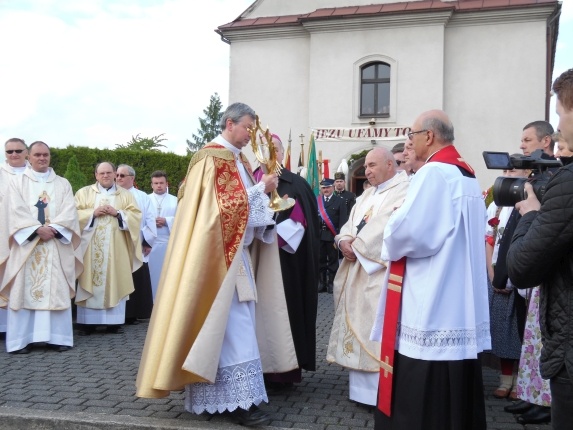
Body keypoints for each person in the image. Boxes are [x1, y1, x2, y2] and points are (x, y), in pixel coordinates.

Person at [136, 102, 297, 427]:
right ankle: (239, 405)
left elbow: (232, 211)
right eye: (247, 128)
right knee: (232, 330)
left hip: (234, 258)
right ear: (229, 123)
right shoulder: (211, 158)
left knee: (233, 328)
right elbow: (214, 213)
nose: (251, 135)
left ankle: (224, 400)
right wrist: (259, 191)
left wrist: (264, 217)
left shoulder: (236, 160)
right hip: (214, 264)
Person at [371, 110, 491, 430]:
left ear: (429, 136)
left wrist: (391, 225)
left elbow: (413, 233)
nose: (410, 141)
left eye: (412, 135)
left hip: (433, 295)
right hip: (458, 294)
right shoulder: (465, 173)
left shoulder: (434, 173)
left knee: (424, 390)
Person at [507, 68, 573, 430]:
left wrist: (531, 213)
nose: (560, 124)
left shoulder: (565, 184)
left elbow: (521, 265)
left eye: (562, 113)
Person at [327, 147, 409, 407]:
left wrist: (358, 247)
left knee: (375, 331)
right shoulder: (366, 195)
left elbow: (387, 225)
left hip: (380, 273)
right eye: (365, 167)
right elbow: (349, 225)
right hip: (356, 269)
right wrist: (342, 242)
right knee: (356, 324)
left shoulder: (405, 190)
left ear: (389, 164)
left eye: (372, 166)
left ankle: (379, 393)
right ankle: (359, 392)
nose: (367, 171)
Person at [0, 141, 82, 354]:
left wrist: (53, 228)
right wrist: (36, 230)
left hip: (55, 243)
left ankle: (58, 338)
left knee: (55, 288)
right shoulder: (17, 183)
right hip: (27, 246)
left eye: (45, 154)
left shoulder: (63, 183)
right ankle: (21, 340)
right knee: (22, 290)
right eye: (37, 154)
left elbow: (69, 212)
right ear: (30, 156)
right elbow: (13, 211)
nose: (42, 158)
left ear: (49, 157)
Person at [252, 133, 320, 392]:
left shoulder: (295, 184)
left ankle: (281, 372)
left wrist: (261, 238)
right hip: (248, 262)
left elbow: (297, 227)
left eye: (273, 149)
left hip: (281, 266)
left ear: (281, 154)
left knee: (283, 315)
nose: (267, 154)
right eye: (261, 149)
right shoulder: (249, 183)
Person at [500, 121, 555, 424]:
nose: (522, 145)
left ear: (545, 141)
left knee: (543, 340)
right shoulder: (539, 177)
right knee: (531, 338)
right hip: (534, 274)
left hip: (547, 268)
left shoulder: (557, 176)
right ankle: (532, 394)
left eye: (527, 139)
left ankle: (546, 402)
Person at [74, 162, 142, 335]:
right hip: (89, 247)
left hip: (115, 247)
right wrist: (92, 213)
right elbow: (73, 214)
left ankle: (114, 322)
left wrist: (118, 213)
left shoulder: (125, 195)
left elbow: (136, 217)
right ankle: (87, 323)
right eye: (101, 173)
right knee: (88, 278)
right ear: (96, 175)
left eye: (109, 172)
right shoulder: (84, 193)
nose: (105, 175)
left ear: (114, 174)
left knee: (115, 278)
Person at [485, 164, 530, 401]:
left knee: (521, 332)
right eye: (508, 170)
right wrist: (493, 275)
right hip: (498, 274)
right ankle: (505, 380)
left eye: (515, 170)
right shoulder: (497, 204)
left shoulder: (529, 202)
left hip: (520, 275)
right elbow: (490, 240)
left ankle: (522, 383)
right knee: (503, 330)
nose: (509, 173)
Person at [116, 164, 156, 324]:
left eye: (122, 175)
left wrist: (147, 241)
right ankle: (117, 313)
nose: (118, 178)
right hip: (117, 243)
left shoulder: (142, 197)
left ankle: (134, 313)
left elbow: (150, 220)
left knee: (136, 276)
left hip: (136, 243)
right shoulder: (113, 195)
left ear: (132, 178)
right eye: (117, 175)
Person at [0, 138, 30, 336]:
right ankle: (3, 326)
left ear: (26, 152)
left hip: (27, 236)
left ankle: (22, 328)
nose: (14, 155)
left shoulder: (35, 174)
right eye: (9, 151)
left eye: (18, 150)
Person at [147, 170, 178, 302]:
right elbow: (139, 219)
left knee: (167, 276)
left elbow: (182, 219)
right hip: (149, 245)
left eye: (161, 183)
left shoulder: (175, 201)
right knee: (151, 277)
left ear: (167, 184)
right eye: (156, 183)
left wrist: (167, 221)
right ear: (151, 185)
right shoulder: (146, 199)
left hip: (168, 244)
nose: (159, 185)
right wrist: (151, 222)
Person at [318, 178, 348, 293]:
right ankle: (321, 283)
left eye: (328, 187)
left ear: (333, 187)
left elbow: (343, 220)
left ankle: (331, 283)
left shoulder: (339, 201)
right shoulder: (318, 201)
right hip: (320, 235)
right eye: (324, 188)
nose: (326, 189)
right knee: (320, 260)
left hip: (332, 235)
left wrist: (340, 237)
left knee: (332, 261)